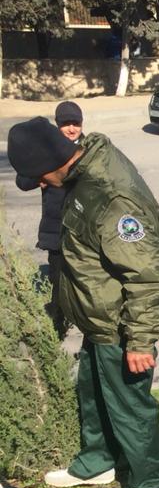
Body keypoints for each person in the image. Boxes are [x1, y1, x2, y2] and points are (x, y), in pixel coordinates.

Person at [6, 118, 159, 488]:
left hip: (121, 324)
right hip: (97, 319)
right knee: (95, 393)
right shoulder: (82, 175)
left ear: (54, 163)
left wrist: (139, 340)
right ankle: (97, 463)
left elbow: (147, 273)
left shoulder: (111, 196)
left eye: (40, 179)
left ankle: (154, 479)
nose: (43, 187)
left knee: (128, 403)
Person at [13, 101, 83, 335]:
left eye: (76, 123)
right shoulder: (47, 150)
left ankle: (84, 322)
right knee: (57, 281)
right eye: (65, 124)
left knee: (82, 280)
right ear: (57, 125)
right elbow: (22, 181)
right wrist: (38, 179)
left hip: (80, 229)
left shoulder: (86, 150)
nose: (71, 129)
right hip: (55, 229)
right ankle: (57, 327)